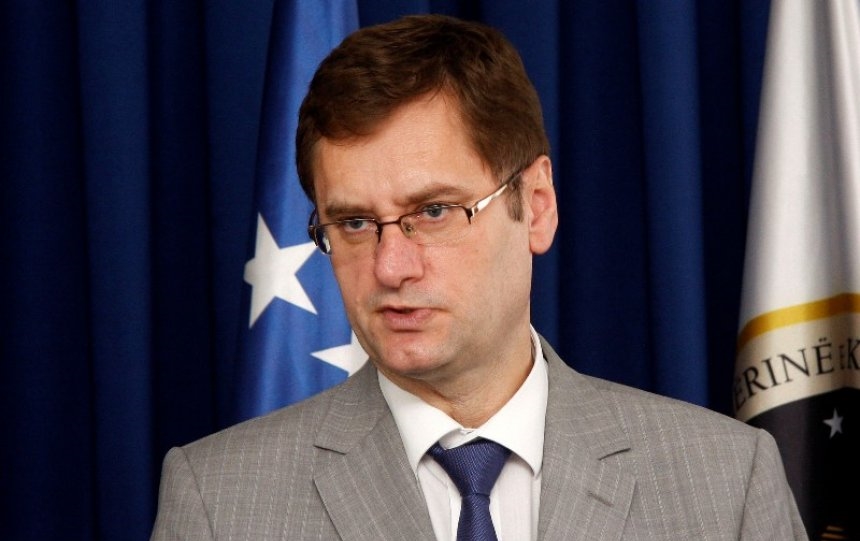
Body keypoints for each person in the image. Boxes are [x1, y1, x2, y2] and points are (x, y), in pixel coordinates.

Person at [150, 14, 807, 541]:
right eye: (353, 223)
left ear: (537, 206)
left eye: (434, 211)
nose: (390, 266)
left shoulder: (724, 482)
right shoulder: (219, 503)